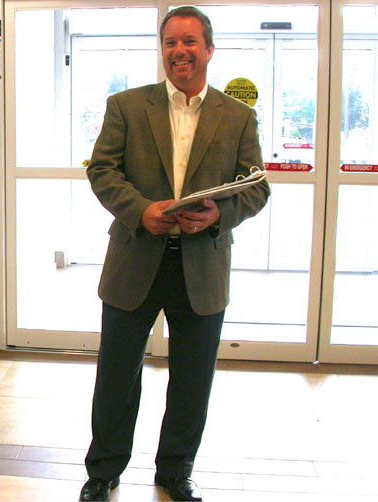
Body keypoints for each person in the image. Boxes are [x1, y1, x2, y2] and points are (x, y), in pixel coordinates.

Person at [79, 6, 269, 502]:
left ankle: (175, 470)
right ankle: (102, 471)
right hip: (135, 257)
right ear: (161, 50)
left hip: (202, 264)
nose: (178, 52)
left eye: (189, 42)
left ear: (209, 49)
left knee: (192, 379)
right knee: (117, 375)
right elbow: (103, 171)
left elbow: (256, 188)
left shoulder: (238, 116)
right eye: (169, 43)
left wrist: (218, 217)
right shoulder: (125, 106)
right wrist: (140, 210)